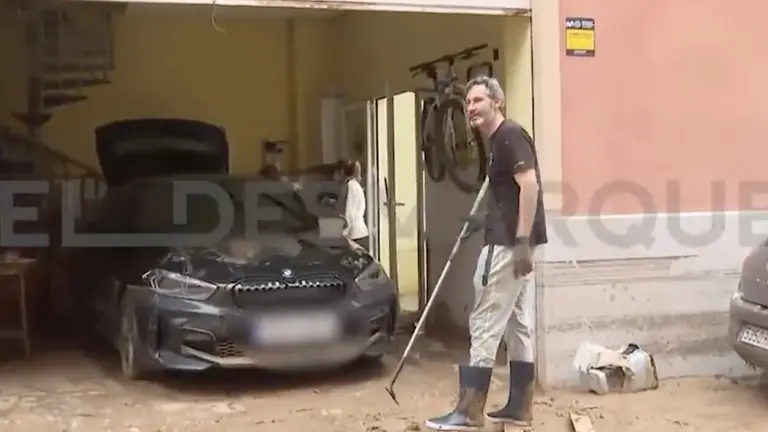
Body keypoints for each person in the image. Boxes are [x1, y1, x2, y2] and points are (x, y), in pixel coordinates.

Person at [425, 76, 548, 431]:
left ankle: (468, 411)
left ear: (498, 102)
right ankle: (519, 407)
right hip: (512, 239)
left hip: (509, 244)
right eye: (467, 103)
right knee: (517, 323)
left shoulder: (509, 136)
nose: (471, 108)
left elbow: (529, 185)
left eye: (478, 100)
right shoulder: (499, 141)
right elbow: (510, 191)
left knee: (483, 320)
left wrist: (521, 240)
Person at [335, 159, 369, 250]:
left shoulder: (349, 186)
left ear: (341, 172)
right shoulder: (354, 185)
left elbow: (349, 211)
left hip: (354, 234)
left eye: (335, 173)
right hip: (358, 232)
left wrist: (344, 233)